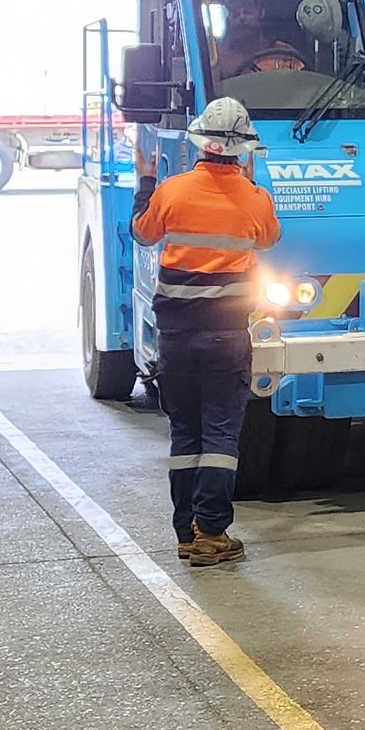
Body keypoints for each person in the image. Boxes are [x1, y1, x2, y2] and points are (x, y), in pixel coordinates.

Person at [130, 95, 283, 566]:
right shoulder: (254, 198)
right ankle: (211, 533)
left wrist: (146, 182)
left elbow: (142, 233)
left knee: (184, 434)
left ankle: (186, 532)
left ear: (200, 143)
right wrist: (252, 188)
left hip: (176, 337)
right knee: (220, 433)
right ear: (241, 151)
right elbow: (270, 238)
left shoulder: (172, 191)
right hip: (225, 337)